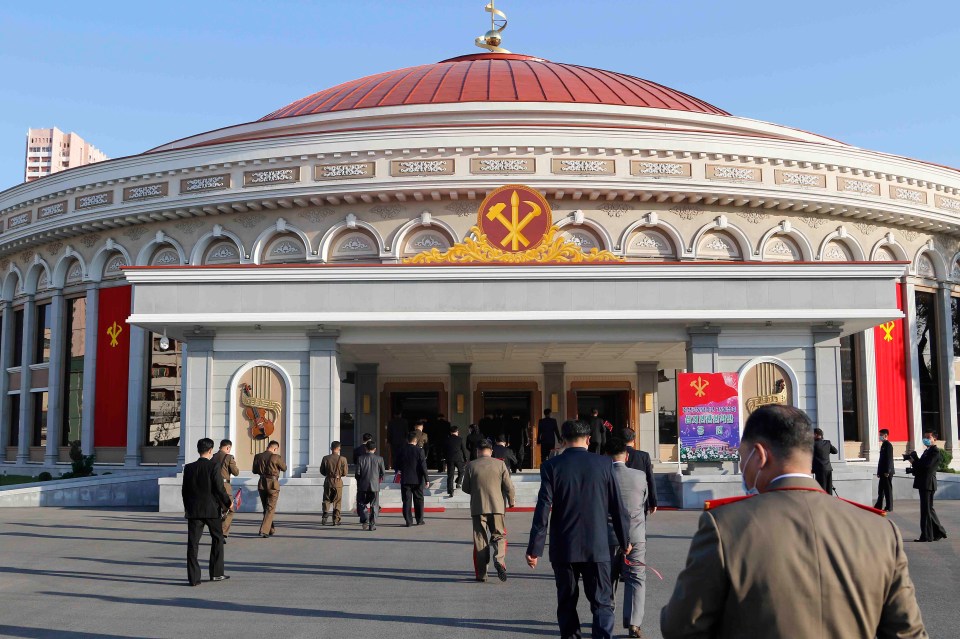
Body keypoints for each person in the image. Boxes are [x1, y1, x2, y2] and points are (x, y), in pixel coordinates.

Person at [661, 405, 926, 639]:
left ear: (759, 455)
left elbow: (682, 627)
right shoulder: (879, 530)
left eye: (742, 458)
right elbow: (907, 632)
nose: (742, 467)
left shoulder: (725, 526)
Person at [526, 420, 630, 639]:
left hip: (564, 546)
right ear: (589, 439)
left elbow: (543, 508)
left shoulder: (551, 466)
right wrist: (625, 540)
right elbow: (617, 507)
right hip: (598, 546)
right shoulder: (604, 464)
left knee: (566, 602)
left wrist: (535, 548)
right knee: (602, 602)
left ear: (562, 440)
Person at [605, 438, 648, 639]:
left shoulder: (602, 476)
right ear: (627, 456)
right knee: (636, 578)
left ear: (606, 456)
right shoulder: (640, 476)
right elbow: (643, 501)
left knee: (608, 578)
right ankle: (634, 623)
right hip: (635, 534)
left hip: (607, 536)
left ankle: (606, 617)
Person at [461, 439, 516, 582]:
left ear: (477, 451)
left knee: (480, 539)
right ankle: (499, 559)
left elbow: (465, 487)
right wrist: (511, 500)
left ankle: (481, 574)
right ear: (491, 451)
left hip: (478, 507)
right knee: (499, 535)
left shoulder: (471, 465)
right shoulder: (500, 464)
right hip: (497, 507)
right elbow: (508, 486)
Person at [182, 437, 232, 586]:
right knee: (217, 539)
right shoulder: (214, 466)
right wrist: (228, 503)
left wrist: (188, 507)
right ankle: (216, 573)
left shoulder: (189, 468)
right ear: (210, 450)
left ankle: (193, 578)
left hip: (194, 511)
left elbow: (184, 491)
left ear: (199, 450)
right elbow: (219, 488)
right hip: (211, 510)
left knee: (193, 543)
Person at [906, 431, 948, 542]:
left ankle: (927, 536)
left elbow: (926, 467)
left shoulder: (935, 451)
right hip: (923, 482)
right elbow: (921, 466)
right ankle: (938, 532)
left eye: (928, 437)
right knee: (929, 509)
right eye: (925, 437)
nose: (926, 439)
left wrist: (914, 462)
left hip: (928, 483)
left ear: (934, 439)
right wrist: (914, 460)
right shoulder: (927, 451)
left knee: (926, 510)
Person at [252, 440, 287, 538]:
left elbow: (254, 471)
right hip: (273, 484)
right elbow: (284, 468)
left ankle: (270, 529)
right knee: (270, 508)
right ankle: (264, 530)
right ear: (275, 448)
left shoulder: (258, 456)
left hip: (262, 483)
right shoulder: (276, 457)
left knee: (266, 508)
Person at [396, 430, 429, 526]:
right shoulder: (419, 450)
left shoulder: (401, 450)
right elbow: (423, 466)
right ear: (415, 440)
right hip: (418, 479)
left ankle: (408, 521)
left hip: (405, 478)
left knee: (406, 500)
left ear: (407, 440)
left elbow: (397, 464)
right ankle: (419, 520)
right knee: (419, 499)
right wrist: (427, 479)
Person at [622, 428, 658, 516]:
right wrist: (653, 501)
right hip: (640, 501)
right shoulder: (643, 456)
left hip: (620, 501)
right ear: (634, 440)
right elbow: (650, 479)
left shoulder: (615, 455)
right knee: (639, 527)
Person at [211, 438, 240, 541]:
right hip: (224, 486)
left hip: (213, 486)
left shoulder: (213, 457)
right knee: (230, 509)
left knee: (218, 510)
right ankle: (222, 533)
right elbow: (236, 472)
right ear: (228, 447)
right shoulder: (229, 457)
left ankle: (217, 532)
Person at [355, 440, 386, 531]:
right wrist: (378, 480)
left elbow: (357, 474)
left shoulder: (360, 458)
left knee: (361, 503)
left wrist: (360, 481)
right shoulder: (379, 459)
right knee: (374, 505)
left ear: (366, 448)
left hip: (363, 485)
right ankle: (372, 524)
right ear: (375, 449)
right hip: (375, 485)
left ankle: (365, 519)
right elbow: (383, 473)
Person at [320, 441, 349, 526]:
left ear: (331, 448)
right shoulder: (343, 459)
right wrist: (339, 475)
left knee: (326, 499)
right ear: (339, 448)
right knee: (337, 501)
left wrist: (328, 474)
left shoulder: (325, 458)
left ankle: (325, 513)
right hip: (338, 482)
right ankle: (336, 520)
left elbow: (322, 471)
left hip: (328, 481)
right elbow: (345, 473)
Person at [442, 424, 469, 497]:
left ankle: (450, 491)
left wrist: (444, 458)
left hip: (450, 459)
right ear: (457, 432)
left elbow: (444, 450)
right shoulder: (460, 439)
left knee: (450, 475)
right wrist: (466, 458)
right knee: (462, 471)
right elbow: (463, 449)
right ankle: (458, 482)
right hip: (458, 458)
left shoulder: (447, 439)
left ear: (451, 432)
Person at [812, 427, 837, 493]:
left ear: (816, 435)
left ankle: (823, 502)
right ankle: (829, 502)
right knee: (829, 489)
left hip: (820, 470)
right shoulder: (827, 443)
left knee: (821, 489)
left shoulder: (813, 444)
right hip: (828, 469)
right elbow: (835, 451)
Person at [875, 428, 895, 512]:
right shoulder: (883, 445)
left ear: (886, 435)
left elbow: (889, 459)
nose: (880, 437)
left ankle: (889, 507)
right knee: (881, 490)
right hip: (882, 472)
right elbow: (881, 460)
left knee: (887, 490)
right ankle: (878, 505)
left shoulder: (888, 445)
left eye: (881, 435)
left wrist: (888, 471)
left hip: (887, 472)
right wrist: (879, 472)